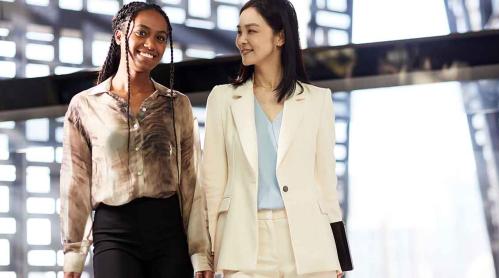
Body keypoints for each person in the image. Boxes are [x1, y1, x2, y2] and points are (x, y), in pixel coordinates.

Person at [200, 0, 353, 277]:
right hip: (242, 244)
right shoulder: (222, 99)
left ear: (280, 36)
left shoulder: (318, 100)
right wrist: (204, 257)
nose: (242, 40)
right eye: (239, 32)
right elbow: (211, 184)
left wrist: (338, 256)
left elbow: (326, 184)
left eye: (252, 31)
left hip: (309, 244)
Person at [59, 2, 213, 278]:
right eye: (142, 33)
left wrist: (201, 253)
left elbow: (192, 181)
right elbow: (76, 183)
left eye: (160, 37)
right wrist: (74, 256)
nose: (151, 44)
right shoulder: (85, 105)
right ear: (119, 35)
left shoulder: (177, 104)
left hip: (169, 232)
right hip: (114, 232)